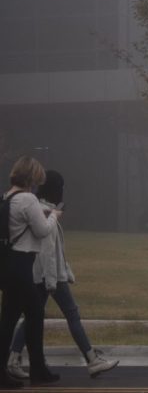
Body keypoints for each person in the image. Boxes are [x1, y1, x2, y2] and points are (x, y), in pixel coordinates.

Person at [7, 170, 118, 379]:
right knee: (71, 314)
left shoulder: (41, 210)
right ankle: (92, 359)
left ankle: (13, 358)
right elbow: (48, 253)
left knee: (31, 318)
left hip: (45, 276)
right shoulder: (47, 215)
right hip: (49, 278)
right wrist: (53, 281)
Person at [0, 156, 63, 388]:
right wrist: (54, 217)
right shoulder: (28, 199)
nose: (39, 183)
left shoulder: (8, 196)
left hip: (8, 265)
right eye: (37, 179)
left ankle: (30, 368)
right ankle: (37, 370)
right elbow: (41, 231)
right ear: (32, 178)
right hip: (22, 264)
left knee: (9, 318)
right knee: (35, 314)